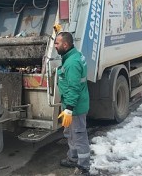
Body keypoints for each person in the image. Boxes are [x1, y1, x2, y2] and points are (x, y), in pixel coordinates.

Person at [55, 32, 91, 176]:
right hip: (72, 104)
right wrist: (59, 31)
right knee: (70, 133)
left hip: (75, 107)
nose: (55, 46)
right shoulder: (72, 55)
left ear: (65, 45)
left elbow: (74, 88)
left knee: (79, 135)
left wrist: (69, 109)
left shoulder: (72, 63)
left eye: (57, 43)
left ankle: (84, 168)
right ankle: (73, 158)